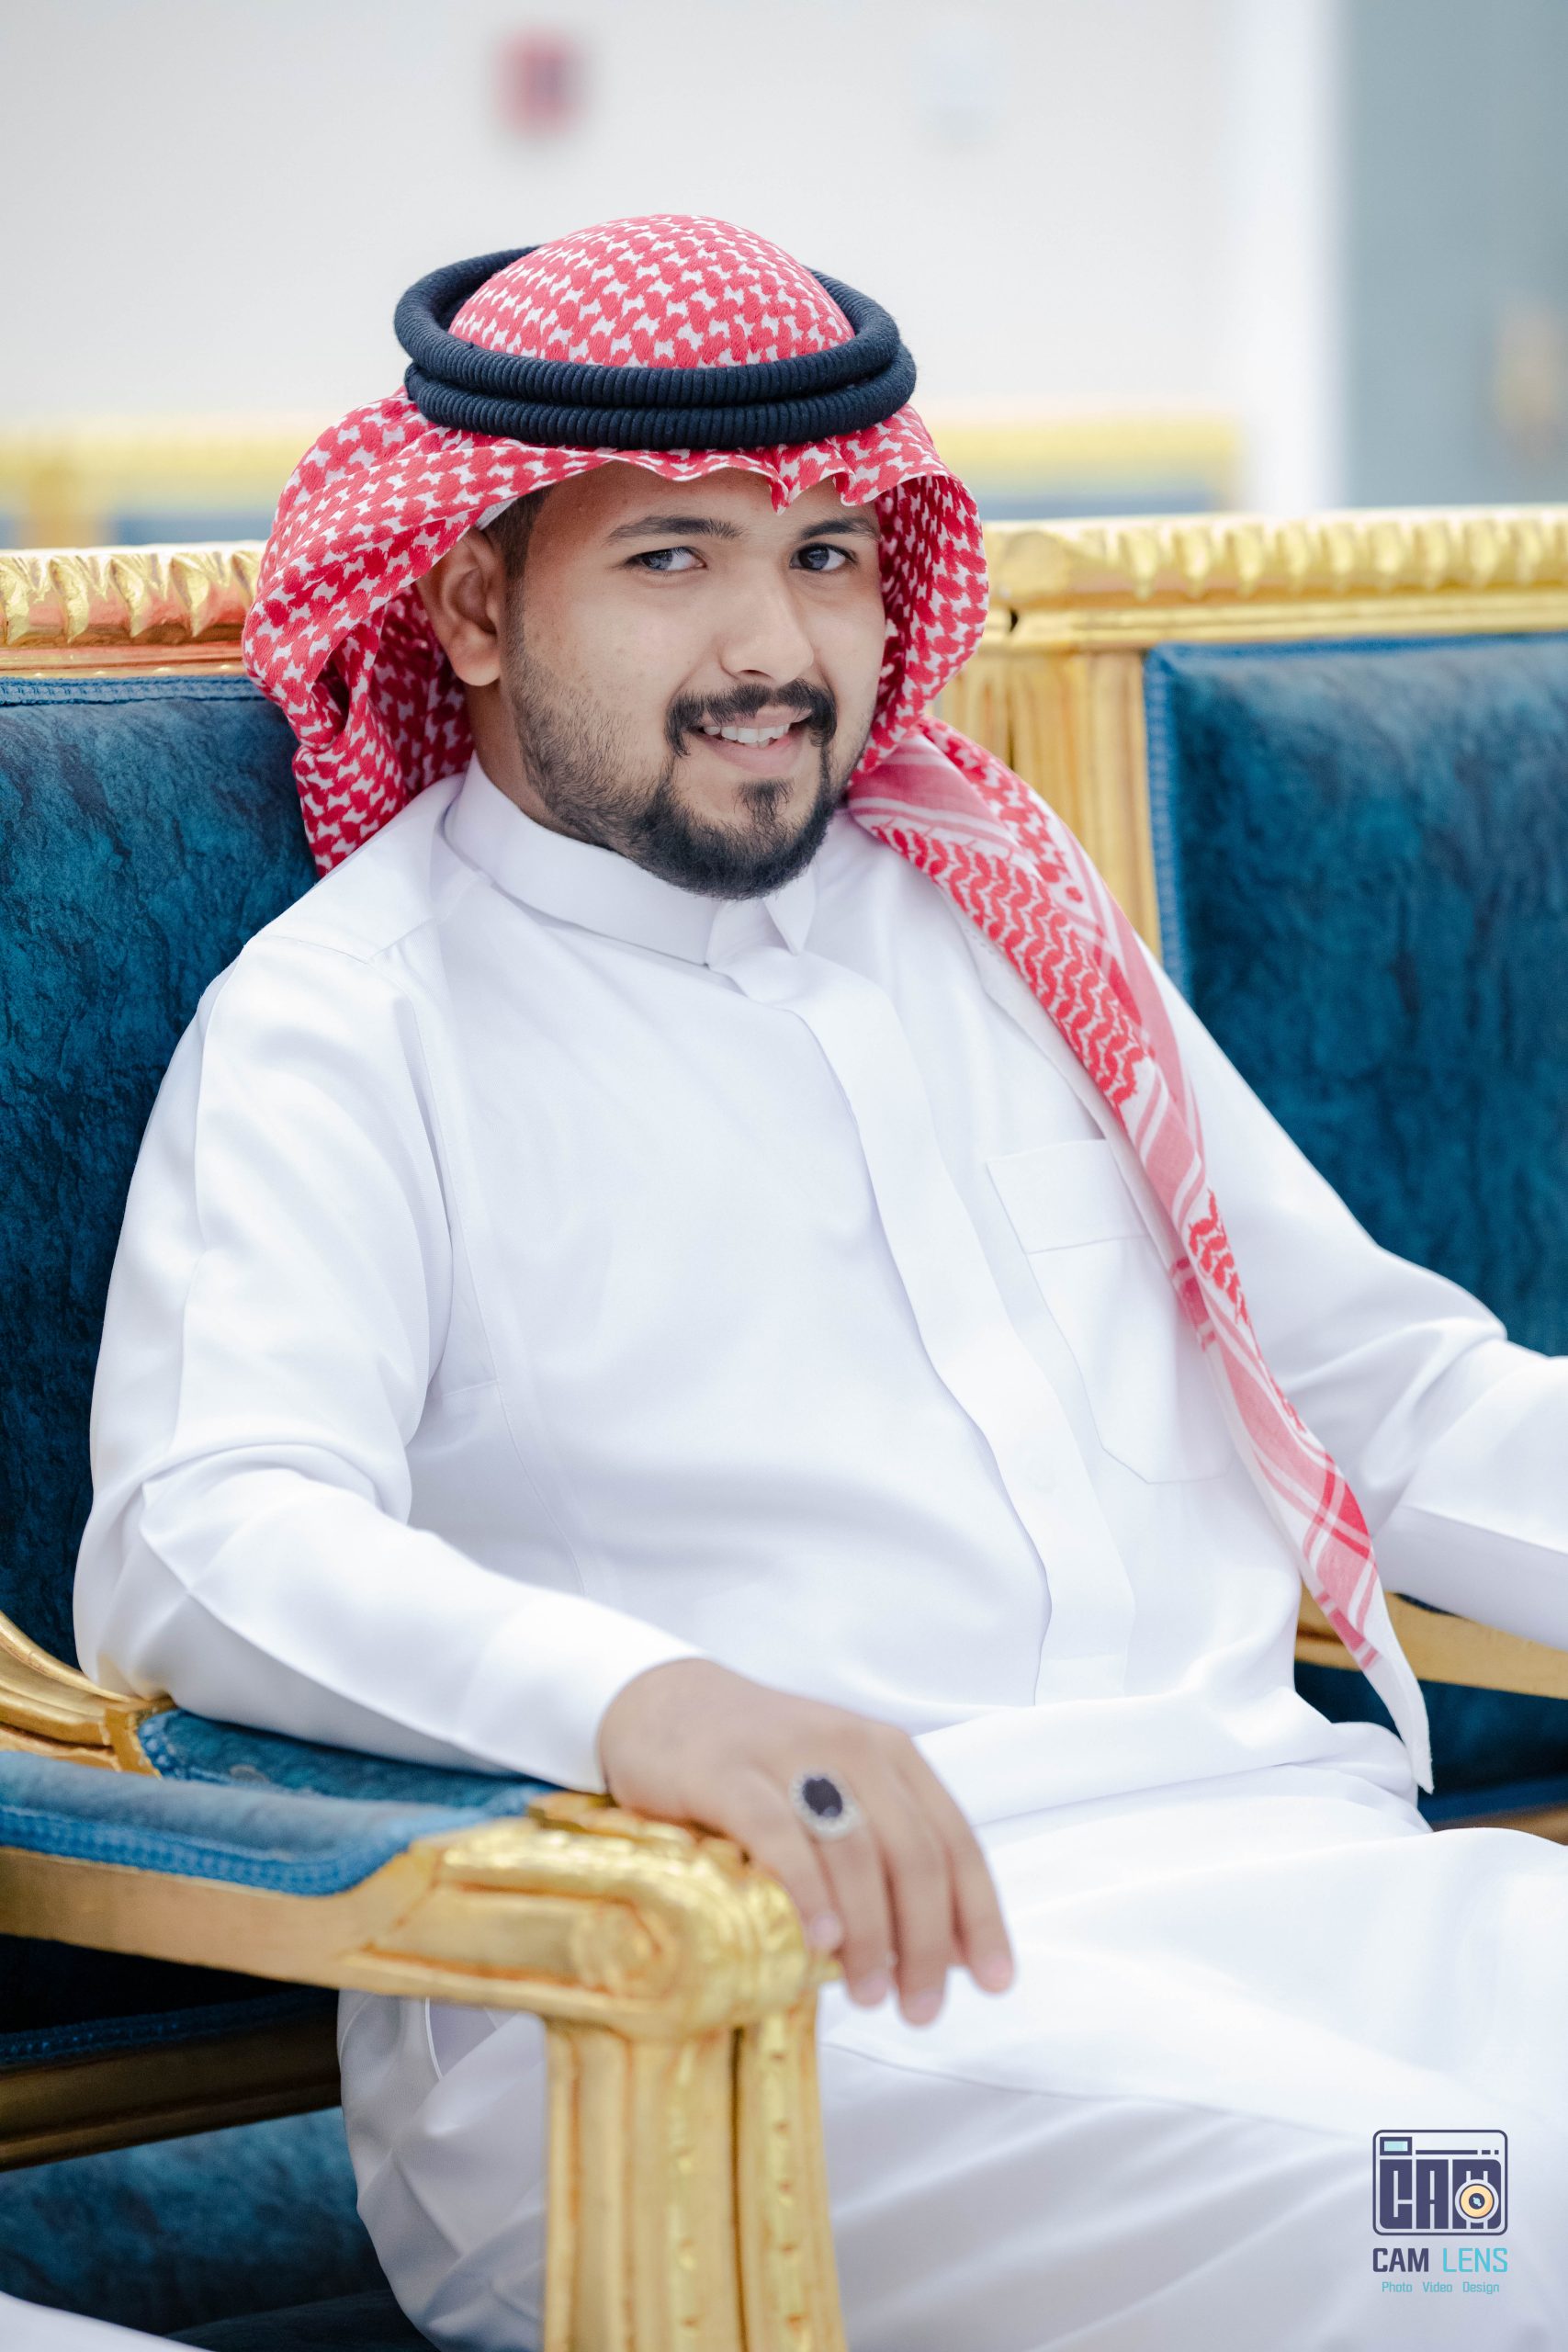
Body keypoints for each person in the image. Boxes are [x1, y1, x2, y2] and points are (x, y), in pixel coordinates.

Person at [74, 217, 1568, 2349]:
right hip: (748, 2003)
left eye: (827, 553)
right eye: (670, 556)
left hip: (1295, 1876)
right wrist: (653, 1703)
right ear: (474, 601)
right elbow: (203, 1534)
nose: (772, 642)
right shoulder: (348, 1023)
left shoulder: (997, 910)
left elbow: (1378, 1388)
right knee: (1481, 2222)